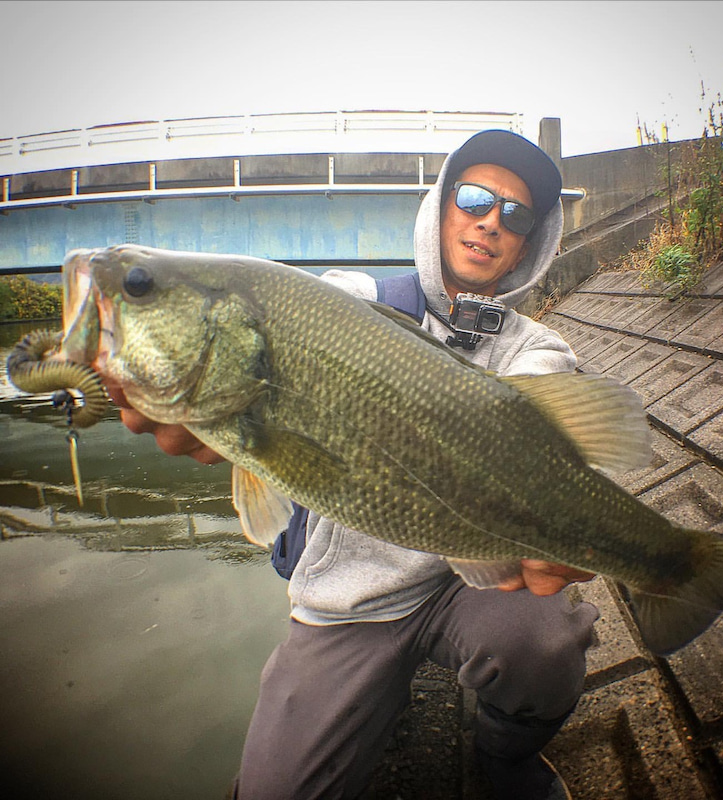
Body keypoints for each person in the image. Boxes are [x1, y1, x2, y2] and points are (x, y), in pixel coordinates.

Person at [109, 129, 599, 799]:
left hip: (468, 587)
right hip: (349, 603)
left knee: (546, 642)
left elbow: (552, 415)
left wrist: (576, 516)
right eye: (474, 198)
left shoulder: (535, 349)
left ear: (529, 244)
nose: (491, 221)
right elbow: (293, 329)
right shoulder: (351, 298)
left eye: (516, 215)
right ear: (440, 208)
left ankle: (506, 757)